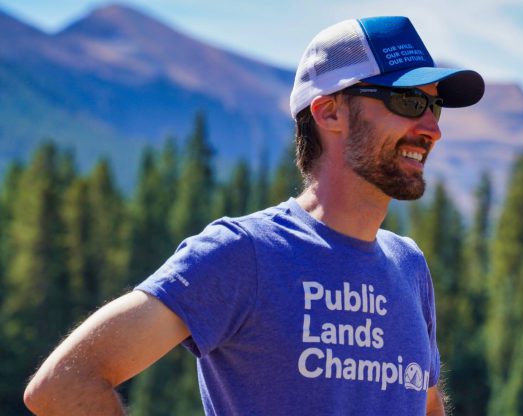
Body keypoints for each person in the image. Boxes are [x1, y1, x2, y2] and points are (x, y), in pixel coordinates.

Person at [24, 16, 484, 415]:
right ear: (329, 112)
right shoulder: (244, 254)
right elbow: (64, 384)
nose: (432, 129)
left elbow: (423, 404)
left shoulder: (409, 266)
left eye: (434, 105)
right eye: (408, 102)